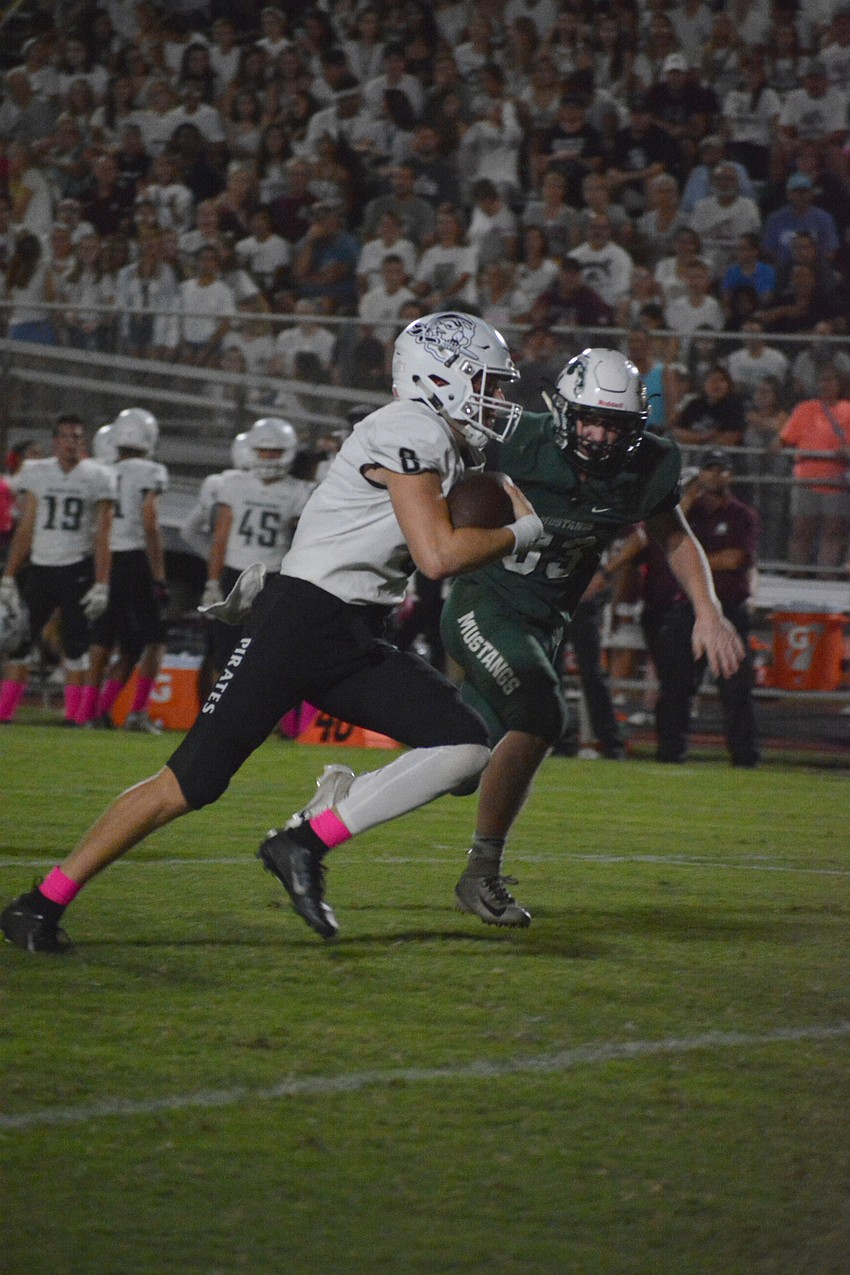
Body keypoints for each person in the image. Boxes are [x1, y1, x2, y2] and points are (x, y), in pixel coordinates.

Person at [0, 312, 547, 952]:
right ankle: (39, 904)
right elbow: (438, 556)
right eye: (486, 382)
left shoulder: (438, 440)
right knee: (189, 783)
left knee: (464, 748)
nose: (497, 397)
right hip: (301, 622)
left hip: (350, 631)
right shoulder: (410, 427)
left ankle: (304, 841)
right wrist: (523, 533)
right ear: (439, 376)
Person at [439, 349, 745, 927]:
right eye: (590, 420)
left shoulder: (648, 463)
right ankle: (481, 873)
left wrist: (708, 610)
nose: (601, 436)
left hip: (545, 621)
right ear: (563, 412)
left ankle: (324, 823)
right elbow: (431, 477)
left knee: (458, 765)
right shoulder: (515, 437)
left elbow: (672, 535)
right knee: (543, 714)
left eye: (615, 424)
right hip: (487, 603)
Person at [637, 450, 761, 767]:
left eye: (719, 469)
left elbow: (735, 558)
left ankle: (745, 757)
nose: (713, 475)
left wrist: (693, 564)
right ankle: (670, 753)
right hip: (687, 609)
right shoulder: (689, 514)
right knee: (675, 686)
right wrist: (685, 505)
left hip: (729, 610)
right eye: (708, 469)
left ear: (730, 475)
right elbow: (665, 542)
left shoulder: (741, 515)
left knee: (735, 688)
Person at [0, 415, 115, 727]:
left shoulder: (98, 476)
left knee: (76, 646)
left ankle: (76, 717)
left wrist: (102, 582)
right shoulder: (37, 472)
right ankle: (4, 713)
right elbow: (26, 528)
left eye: (77, 437)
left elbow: (103, 535)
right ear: (55, 441)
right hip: (40, 567)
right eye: (65, 436)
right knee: (20, 641)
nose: (71, 442)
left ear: (84, 441)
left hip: (77, 568)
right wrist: (9, 575)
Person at [200, 417, 313, 680]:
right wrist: (212, 583)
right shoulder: (234, 484)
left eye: (275, 451)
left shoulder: (299, 491)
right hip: (235, 575)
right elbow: (220, 538)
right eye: (264, 450)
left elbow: (304, 542)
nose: (269, 456)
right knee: (223, 654)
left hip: (274, 576)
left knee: (267, 656)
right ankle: (218, 706)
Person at [84, 409, 170, 733]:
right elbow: (150, 522)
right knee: (156, 640)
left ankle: (91, 712)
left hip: (102, 558)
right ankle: (137, 712)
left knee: (107, 641)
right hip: (134, 560)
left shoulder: (100, 471)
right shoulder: (151, 470)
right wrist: (159, 575)